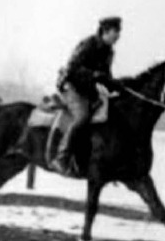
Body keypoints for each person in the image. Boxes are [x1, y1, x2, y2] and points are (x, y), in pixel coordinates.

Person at [52, 16, 123, 176]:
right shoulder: (89, 44)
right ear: (105, 31)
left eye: (119, 32)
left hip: (87, 90)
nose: (118, 35)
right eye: (116, 31)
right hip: (71, 86)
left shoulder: (109, 51)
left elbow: (105, 77)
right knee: (82, 117)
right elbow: (72, 68)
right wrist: (95, 75)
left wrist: (117, 85)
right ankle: (61, 157)